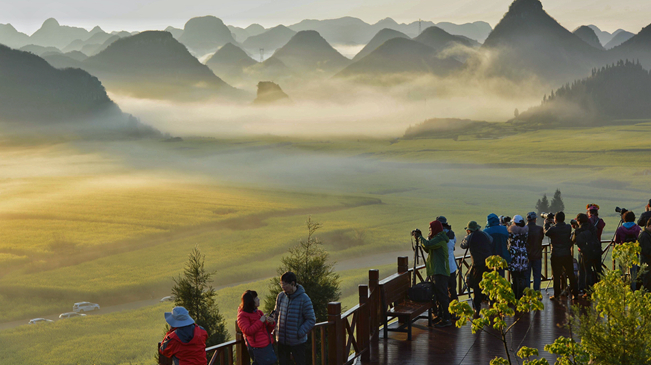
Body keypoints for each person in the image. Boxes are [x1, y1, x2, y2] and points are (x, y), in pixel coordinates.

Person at [272, 272, 316, 365]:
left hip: (297, 341)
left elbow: (311, 319)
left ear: (293, 283)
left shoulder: (304, 298)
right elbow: (276, 313)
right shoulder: (281, 296)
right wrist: (275, 329)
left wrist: (299, 332)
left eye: (285, 284)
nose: (283, 287)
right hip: (281, 340)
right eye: (281, 284)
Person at [416, 220, 452, 328]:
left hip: (440, 271)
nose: (430, 230)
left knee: (442, 296)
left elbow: (428, 244)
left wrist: (420, 237)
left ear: (435, 229)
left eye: (431, 228)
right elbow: (427, 248)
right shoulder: (438, 238)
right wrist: (423, 238)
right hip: (437, 271)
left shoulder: (440, 239)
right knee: (439, 295)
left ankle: (446, 319)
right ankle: (441, 316)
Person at [460, 221, 493, 317]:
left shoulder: (470, 236)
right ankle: (491, 300)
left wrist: (467, 236)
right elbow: (491, 240)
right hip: (488, 261)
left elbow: (463, 245)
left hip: (477, 263)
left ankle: (477, 305)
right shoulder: (484, 234)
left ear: (469, 230)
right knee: (489, 282)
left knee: (476, 284)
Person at [544, 212, 578, 300]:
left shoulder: (553, 229)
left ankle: (557, 295)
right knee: (570, 274)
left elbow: (547, 233)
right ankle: (575, 294)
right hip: (567, 254)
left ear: (555, 219)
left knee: (556, 275)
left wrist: (546, 223)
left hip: (556, 255)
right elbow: (560, 229)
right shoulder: (568, 227)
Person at [238, 290, 276, 365]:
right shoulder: (242, 316)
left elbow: (266, 330)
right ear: (250, 301)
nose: (258, 299)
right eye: (255, 298)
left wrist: (271, 323)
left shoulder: (259, 312)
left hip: (267, 345)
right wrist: (260, 321)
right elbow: (248, 331)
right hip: (257, 348)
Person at [573, 213, 601, 296]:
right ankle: (602, 288)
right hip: (596, 251)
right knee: (598, 270)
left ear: (578, 221)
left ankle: (587, 291)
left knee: (587, 272)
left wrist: (575, 229)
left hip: (586, 253)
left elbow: (573, 240)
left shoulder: (578, 230)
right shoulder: (592, 227)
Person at [615, 211, 642, 290]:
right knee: (633, 273)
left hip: (623, 251)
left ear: (624, 219)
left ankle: (622, 289)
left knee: (622, 271)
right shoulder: (637, 228)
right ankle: (633, 290)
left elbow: (617, 241)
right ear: (634, 218)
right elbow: (640, 240)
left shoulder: (620, 229)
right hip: (634, 252)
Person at [437, 216, 458, 303]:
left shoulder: (436, 235)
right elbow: (453, 245)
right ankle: (455, 309)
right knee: (452, 288)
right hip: (452, 266)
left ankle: (444, 310)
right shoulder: (451, 234)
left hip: (441, 268)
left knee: (441, 290)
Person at [508, 215, 529, 299]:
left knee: (515, 277)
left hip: (514, 257)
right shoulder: (525, 232)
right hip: (523, 256)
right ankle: (523, 294)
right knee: (522, 277)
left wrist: (506, 225)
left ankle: (516, 295)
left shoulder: (512, 232)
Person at [525, 212, 544, 291]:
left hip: (527, 256)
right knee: (537, 275)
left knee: (527, 276)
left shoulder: (524, 229)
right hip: (537, 255)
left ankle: (527, 293)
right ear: (535, 220)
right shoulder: (539, 229)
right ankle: (537, 292)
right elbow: (541, 239)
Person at [638, 220, 651, 290]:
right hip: (647, 263)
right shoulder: (644, 236)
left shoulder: (646, 234)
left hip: (647, 263)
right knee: (647, 283)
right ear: (650, 226)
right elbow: (647, 251)